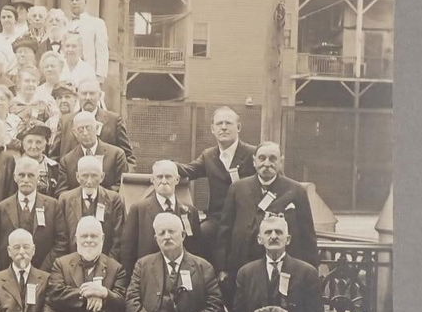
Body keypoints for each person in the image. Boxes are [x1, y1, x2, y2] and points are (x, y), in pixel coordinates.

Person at [217, 141, 319, 278]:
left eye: (272, 158)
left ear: (281, 162)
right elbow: (225, 229)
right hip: (243, 263)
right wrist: (222, 268)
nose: (266, 163)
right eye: (262, 158)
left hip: (284, 266)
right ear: (254, 161)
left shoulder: (296, 190)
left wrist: (312, 269)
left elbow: (307, 233)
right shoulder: (237, 188)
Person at [179, 105, 256, 252]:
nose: (224, 127)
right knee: (198, 236)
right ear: (212, 129)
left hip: (247, 218)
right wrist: (166, 166)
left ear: (238, 127)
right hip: (217, 220)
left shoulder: (253, 154)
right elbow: (189, 170)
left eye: (228, 123)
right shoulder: (209, 155)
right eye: (219, 124)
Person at [118, 158, 201, 270]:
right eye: (159, 177)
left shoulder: (190, 211)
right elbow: (127, 250)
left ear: (177, 179)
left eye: (168, 177)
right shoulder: (138, 209)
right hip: (148, 274)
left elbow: (195, 249)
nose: (163, 181)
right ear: (152, 180)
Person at [0, 155, 62, 271]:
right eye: (21, 175)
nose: (26, 180)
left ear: (38, 178)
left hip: (43, 273)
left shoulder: (53, 206)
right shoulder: (2, 208)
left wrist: (43, 270)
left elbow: (61, 243)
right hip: (10, 274)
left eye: (31, 175)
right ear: (15, 177)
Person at [57, 154, 125, 259]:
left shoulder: (114, 199)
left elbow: (118, 239)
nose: (89, 181)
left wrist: (106, 265)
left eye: (94, 176)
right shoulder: (65, 199)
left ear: (102, 176)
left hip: (104, 263)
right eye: (85, 176)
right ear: (77, 177)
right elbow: (61, 238)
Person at [59, 109, 129, 189]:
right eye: (80, 129)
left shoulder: (116, 155)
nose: (85, 133)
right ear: (75, 133)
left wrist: (97, 196)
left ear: (97, 128)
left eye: (88, 128)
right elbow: (61, 192)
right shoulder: (67, 161)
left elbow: (123, 186)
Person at [74, 78, 136, 166]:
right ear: (77, 96)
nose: (88, 97)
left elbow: (128, 157)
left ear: (99, 95)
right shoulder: (65, 122)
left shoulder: (114, 121)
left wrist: (126, 178)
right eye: (84, 94)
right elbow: (56, 158)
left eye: (92, 93)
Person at [65, 0, 111, 80]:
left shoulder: (97, 23)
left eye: (77, 0)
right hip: (67, 73)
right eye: (72, 0)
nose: (74, 2)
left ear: (85, 2)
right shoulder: (65, 24)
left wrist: (100, 76)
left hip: (88, 72)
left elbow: (102, 51)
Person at [18, 122, 66, 197]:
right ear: (23, 144)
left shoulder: (54, 167)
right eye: (29, 142)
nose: (33, 146)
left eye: (38, 142)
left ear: (45, 145)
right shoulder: (15, 166)